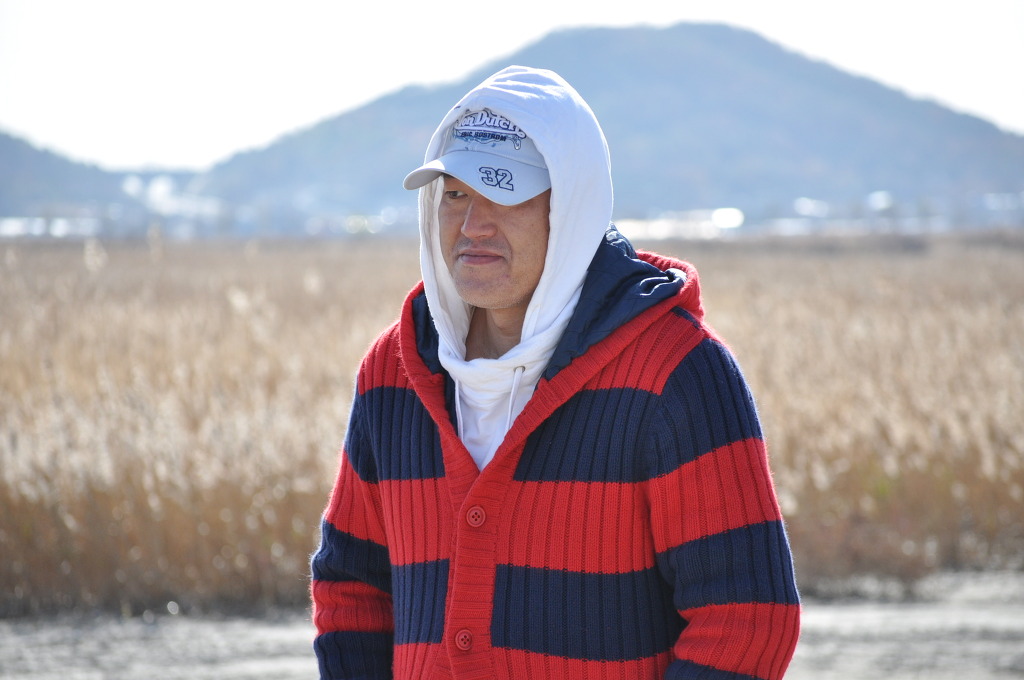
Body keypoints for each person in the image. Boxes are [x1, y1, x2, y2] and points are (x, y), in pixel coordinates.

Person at [310, 65, 800, 680]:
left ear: (570, 209)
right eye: (455, 194)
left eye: (504, 192)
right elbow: (352, 588)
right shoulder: (395, 373)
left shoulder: (676, 373)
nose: (473, 224)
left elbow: (749, 620)